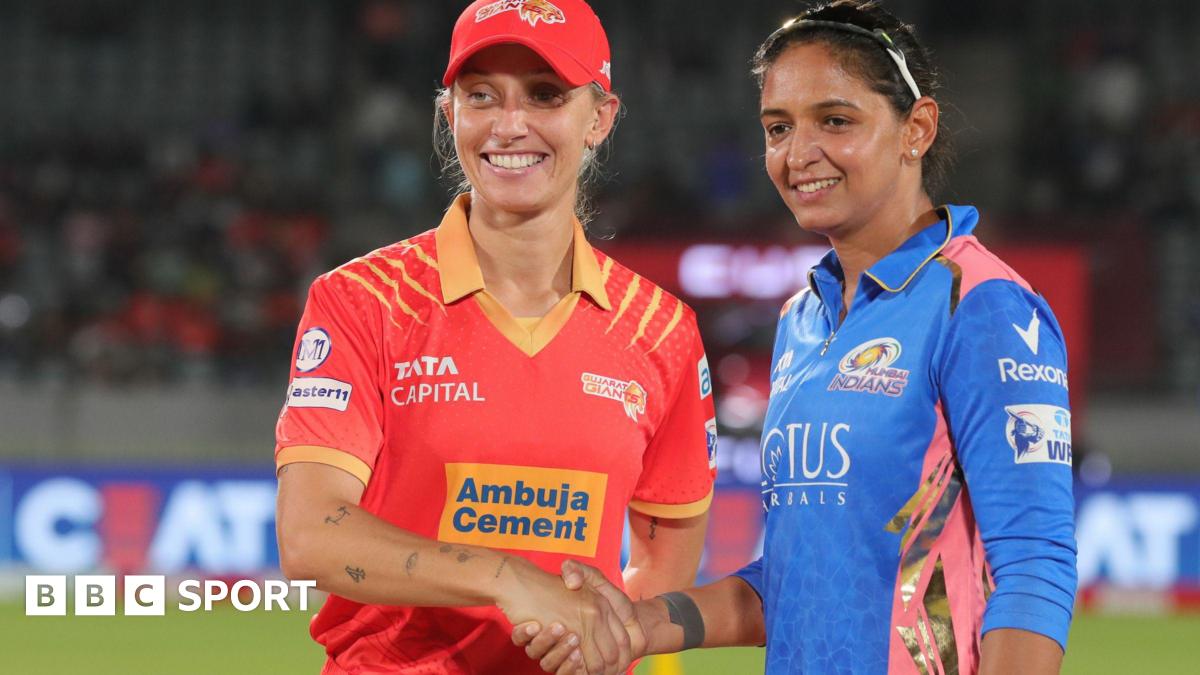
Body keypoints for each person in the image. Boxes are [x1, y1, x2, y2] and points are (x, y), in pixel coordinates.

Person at [515, 1, 1078, 673]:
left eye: (835, 121)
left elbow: (1035, 567)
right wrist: (636, 624)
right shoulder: (800, 320)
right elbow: (792, 579)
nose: (797, 154)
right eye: (777, 128)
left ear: (917, 129)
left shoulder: (982, 304)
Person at [274, 1, 717, 673]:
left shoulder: (663, 331)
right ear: (448, 113)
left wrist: (596, 642)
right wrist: (507, 576)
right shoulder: (363, 302)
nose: (511, 125)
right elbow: (310, 536)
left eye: (545, 95)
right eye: (481, 96)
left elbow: (657, 579)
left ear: (599, 118)